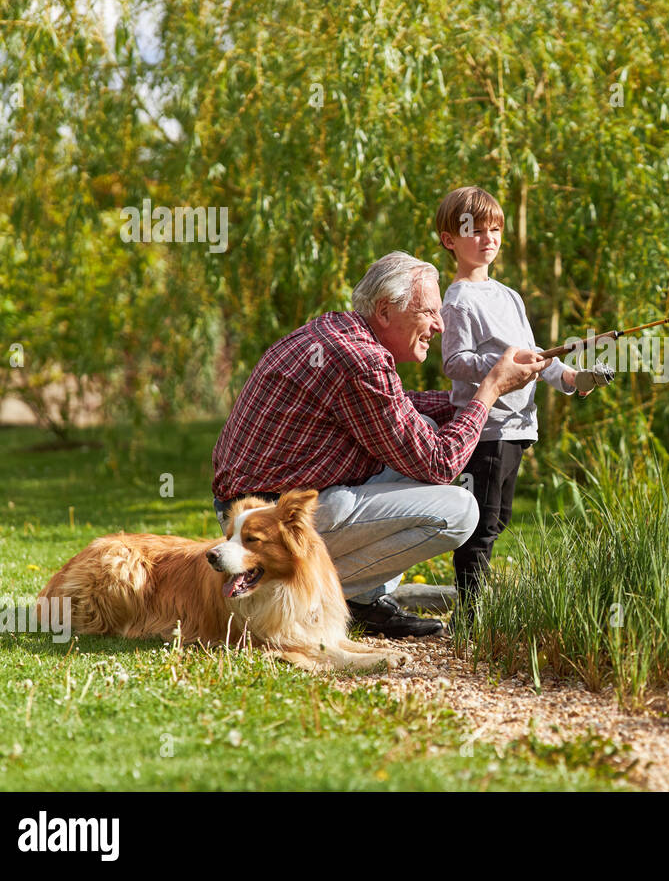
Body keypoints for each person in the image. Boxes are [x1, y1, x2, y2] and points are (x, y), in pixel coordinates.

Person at [211, 250, 548, 638]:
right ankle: (327, 592)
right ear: (386, 311)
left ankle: (364, 597)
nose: (440, 325)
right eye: (429, 312)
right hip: (273, 528)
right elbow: (440, 463)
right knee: (460, 510)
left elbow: (401, 411)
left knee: (417, 432)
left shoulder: (339, 333)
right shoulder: (361, 361)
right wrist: (489, 391)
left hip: (254, 514)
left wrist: (466, 400)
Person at [436, 186, 612, 617]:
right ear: (449, 240)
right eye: (475, 231)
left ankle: (475, 606)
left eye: (494, 229)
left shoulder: (509, 296)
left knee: (498, 520)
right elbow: (455, 363)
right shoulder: (458, 299)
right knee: (481, 524)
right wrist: (501, 364)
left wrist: (571, 377)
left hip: (519, 427)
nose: (488, 238)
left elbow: (535, 355)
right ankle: (471, 614)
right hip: (486, 429)